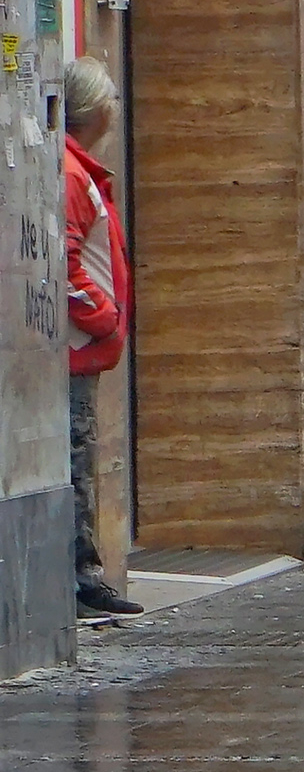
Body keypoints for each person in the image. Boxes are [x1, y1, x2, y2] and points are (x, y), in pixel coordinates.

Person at [59, 58, 135, 620]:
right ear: (96, 111)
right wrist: (104, 318)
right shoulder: (71, 174)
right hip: (76, 346)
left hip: (81, 347)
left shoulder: (79, 170)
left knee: (80, 454)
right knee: (76, 456)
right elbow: (64, 267)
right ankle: (81, 579)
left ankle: (84, 575)